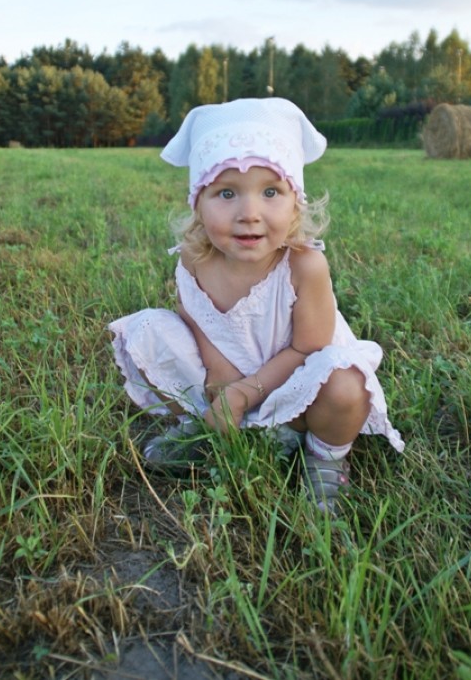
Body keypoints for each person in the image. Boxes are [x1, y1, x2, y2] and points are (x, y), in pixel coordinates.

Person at [109, 97, 404, 511]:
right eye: (226, 193)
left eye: (270, 192)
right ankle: (203, 428)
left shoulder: (305, 266)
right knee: (147, 332)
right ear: (198, 201)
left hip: (294, 389)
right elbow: (192, 319)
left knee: (345, 384)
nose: (249, 213)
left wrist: (248, 391)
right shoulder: (194, 259)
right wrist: (219, 380)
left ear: (295, 200)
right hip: (225, 382)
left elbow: (309, 349)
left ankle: (324, 458)